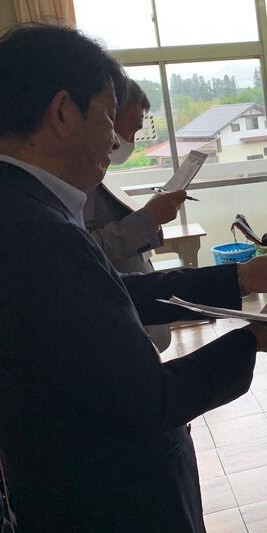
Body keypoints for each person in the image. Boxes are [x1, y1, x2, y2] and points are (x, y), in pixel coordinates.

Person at [0, 23, 267, 533]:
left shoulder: (5, 207)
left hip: (71, 500)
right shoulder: (34, 232)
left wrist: (239, 279)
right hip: (119, 516)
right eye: (109, 115)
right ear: (62, 112)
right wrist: (254, 340)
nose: (114, 140)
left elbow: (110, 295)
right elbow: (149, 400)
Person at [84, 79, 186, 351]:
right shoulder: (74, 181)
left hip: (136, 302)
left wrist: (150, 217)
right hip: (115, 314)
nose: (125, 142)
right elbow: (86, 247)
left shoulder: (96, 172)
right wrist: (148, 218)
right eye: (128, 129)